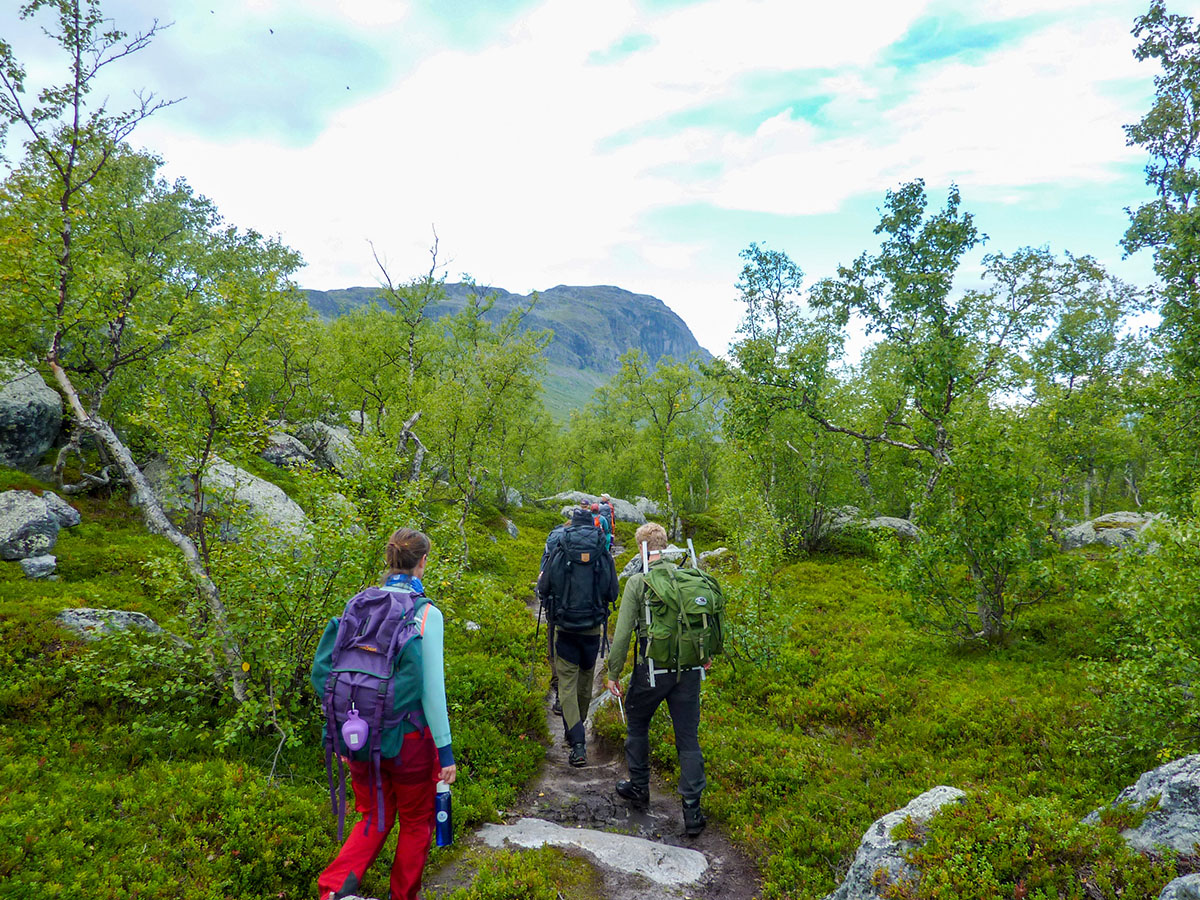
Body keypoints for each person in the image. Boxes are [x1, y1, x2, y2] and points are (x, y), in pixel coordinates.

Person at [311, 528, 456, 900]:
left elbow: (327, 673)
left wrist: (343, 729)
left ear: (388, 560)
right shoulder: (426, 614)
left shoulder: (357, 606)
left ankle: (331, 891)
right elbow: (431, 692)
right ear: (423, 562)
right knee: (415, 821)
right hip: (410, 741)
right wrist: (445, 752)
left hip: (359, 733)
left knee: (373, 817)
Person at [606, 521, 708, 836]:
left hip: (651, 671)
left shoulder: (639, 582)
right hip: (689, 672)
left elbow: (622, 634)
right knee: (688, 739)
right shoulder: (690, 577)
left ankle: (639, 788)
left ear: (642, 548)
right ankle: (692, 811)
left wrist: (612, 672)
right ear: (666, 545)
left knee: (637, 724)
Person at [537, 505, 618, 767]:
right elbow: (613, 592)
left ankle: (577, 741)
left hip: (566, 627)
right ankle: (578, 732)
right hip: (592, 628)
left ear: (571, 523)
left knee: (567, 684)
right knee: (585, 682)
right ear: (593, 524)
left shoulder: (560, 548)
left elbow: (544, 586)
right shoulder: (602, 551)